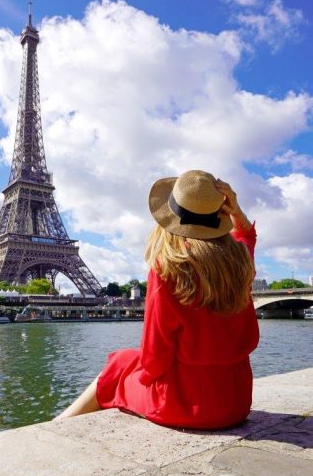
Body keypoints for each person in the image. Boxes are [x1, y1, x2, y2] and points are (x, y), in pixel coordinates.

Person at [55, 170, 259, 429]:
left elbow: (154, 359)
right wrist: (237, 213)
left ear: (171, 218)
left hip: (183, 406)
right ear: (220, 214)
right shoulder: (241, 264)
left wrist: (134, 372)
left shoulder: (169, 268)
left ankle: (57, 425)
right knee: (124, 361)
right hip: (236, 402)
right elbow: (246, 239)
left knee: (117, 365)